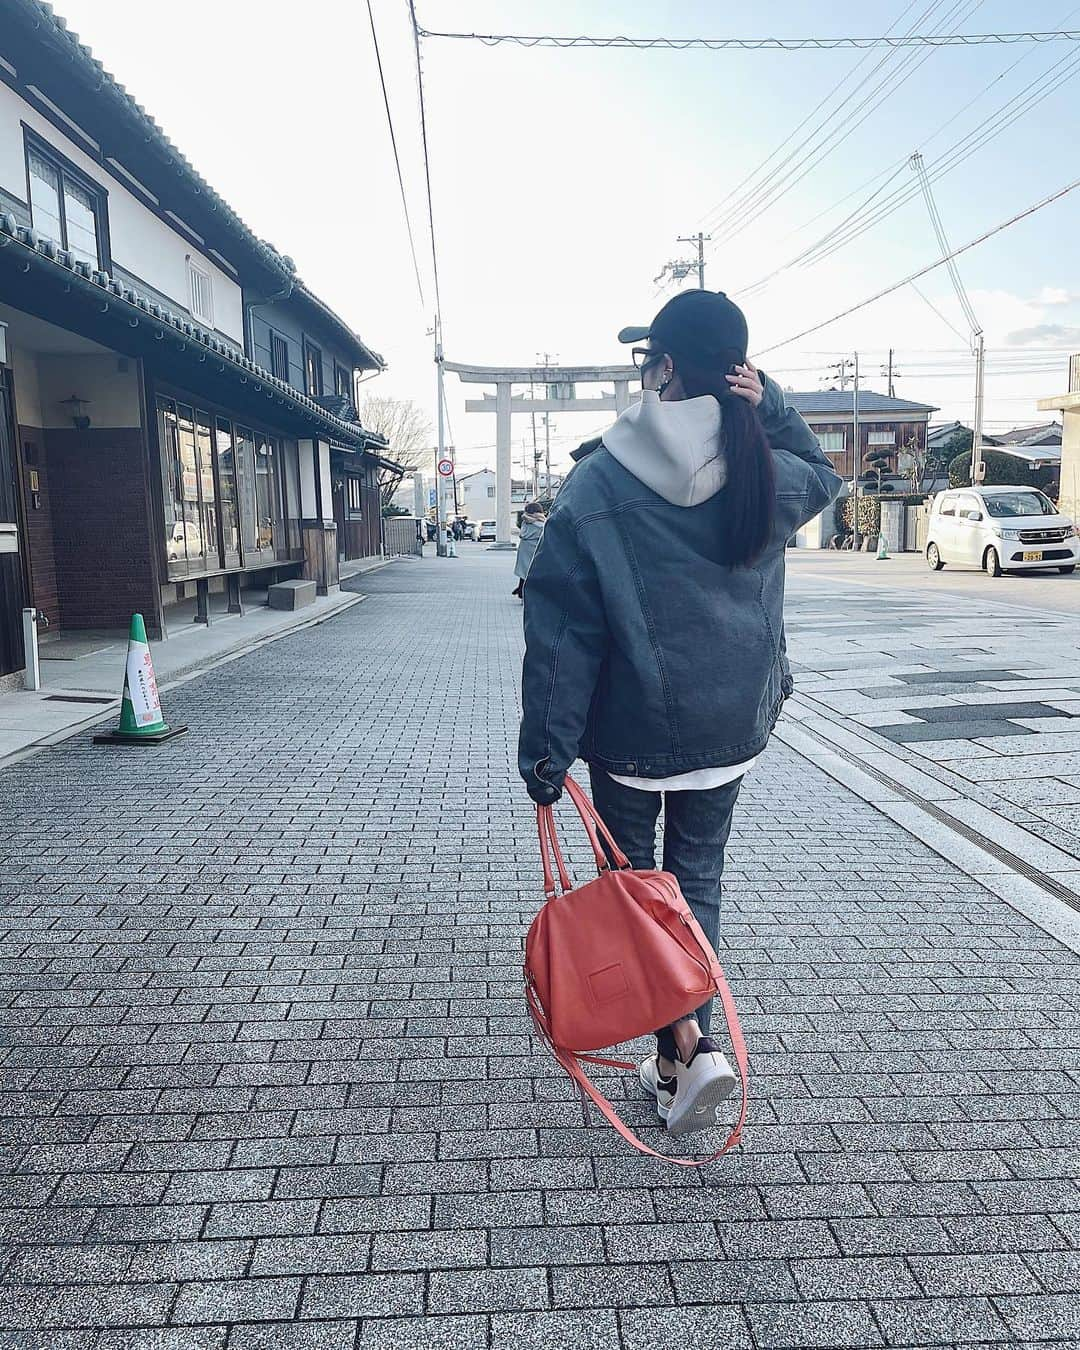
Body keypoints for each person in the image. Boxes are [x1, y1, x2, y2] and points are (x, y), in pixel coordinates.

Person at [518, 290, 842, 1137]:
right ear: (736, 375)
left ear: (663, 368)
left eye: (646, 360)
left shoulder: (598, 480)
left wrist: (545, 753)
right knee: (695, 882)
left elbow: (563, 633)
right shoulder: (763, 468)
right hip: (729, 727)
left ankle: (687, 1047)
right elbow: (828, 473)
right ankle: (681, 1056)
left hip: (628, 733)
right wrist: (767, 401)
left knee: (633, 889)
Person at [512, 501, 546, 599]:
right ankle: (526, 590)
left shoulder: (525, 521)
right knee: (534, 570)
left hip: (524, 547)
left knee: (524, 569)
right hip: (537, 546)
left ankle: (521, 589)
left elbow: (521, 534)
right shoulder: (542, 522)